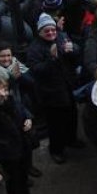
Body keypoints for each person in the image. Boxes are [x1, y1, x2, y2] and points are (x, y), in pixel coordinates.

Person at [24, 14, 81, 166]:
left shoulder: (62, 37)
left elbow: (76, 50)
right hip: (51, 93)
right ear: (40, 32)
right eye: (46, 31)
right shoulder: (34, 49)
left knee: (72, 116)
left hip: (67, 86)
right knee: (56, 124)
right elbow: (36, 70)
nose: (51, 33)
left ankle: (71, 139)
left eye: (52, 30)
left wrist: (73, 49)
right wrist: (52, 59)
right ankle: (56, 150)